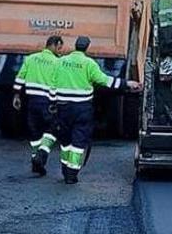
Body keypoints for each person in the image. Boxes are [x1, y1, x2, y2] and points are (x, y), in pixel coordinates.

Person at [54, 36, 141, 184]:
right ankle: (71, 174)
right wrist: (127, 84)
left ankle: (64, 168)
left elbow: (51, 81)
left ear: (75, 46)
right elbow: (105, 81)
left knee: (65, 141)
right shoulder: (89, 64)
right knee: (79, 141)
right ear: (87, 47)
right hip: (82, 108)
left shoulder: (61, 62)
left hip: (63, 107)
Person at [13, 36, 63, 176]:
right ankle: (41, 154)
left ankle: (36, 161)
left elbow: (20, 77)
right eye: (60, 48)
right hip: (47, 102)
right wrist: (56, 102)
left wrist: (16, 96)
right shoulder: (57, 62)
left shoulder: (30, 59)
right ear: (54, 45)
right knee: (52, 129)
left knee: (34, 131)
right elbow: (57, 83)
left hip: (31, 101)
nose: (60, 51)